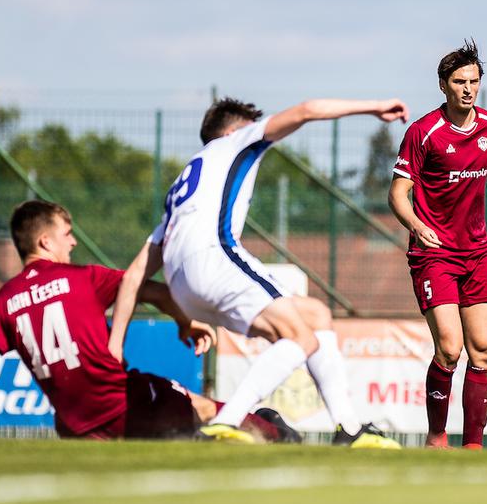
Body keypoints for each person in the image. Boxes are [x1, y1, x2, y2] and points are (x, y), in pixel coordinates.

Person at [110, 96, 408, 447]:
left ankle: (348, 429)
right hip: (214, 259)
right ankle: (225, 422)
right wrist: (372, 108)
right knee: (300, 337)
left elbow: (132, 277)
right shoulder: (236, 142)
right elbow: (306, 110)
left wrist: (114, 347)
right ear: (236, 129)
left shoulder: (185, 187)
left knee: (315, 315)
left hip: (182, 286)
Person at [0, 200, 296, 442]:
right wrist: (185, 322)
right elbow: (157, 293)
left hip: (75, 426)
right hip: (123, 402)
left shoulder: (0, 303)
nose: (73, 241)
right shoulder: (84, 277)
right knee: (204, 409)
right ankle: (275, 432)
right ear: (45, 241)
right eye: (67, 234)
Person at [388, 39, 487, 449]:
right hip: (434, 254)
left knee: (485, 350)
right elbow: (398, 193)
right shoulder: (423, 133)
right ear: (443, 85)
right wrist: (415, 224)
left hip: (476, 252)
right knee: (449, 346)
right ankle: (437, 436)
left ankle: (473, 447)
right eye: (459, 81)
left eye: (474, 81)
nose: (468, 89)